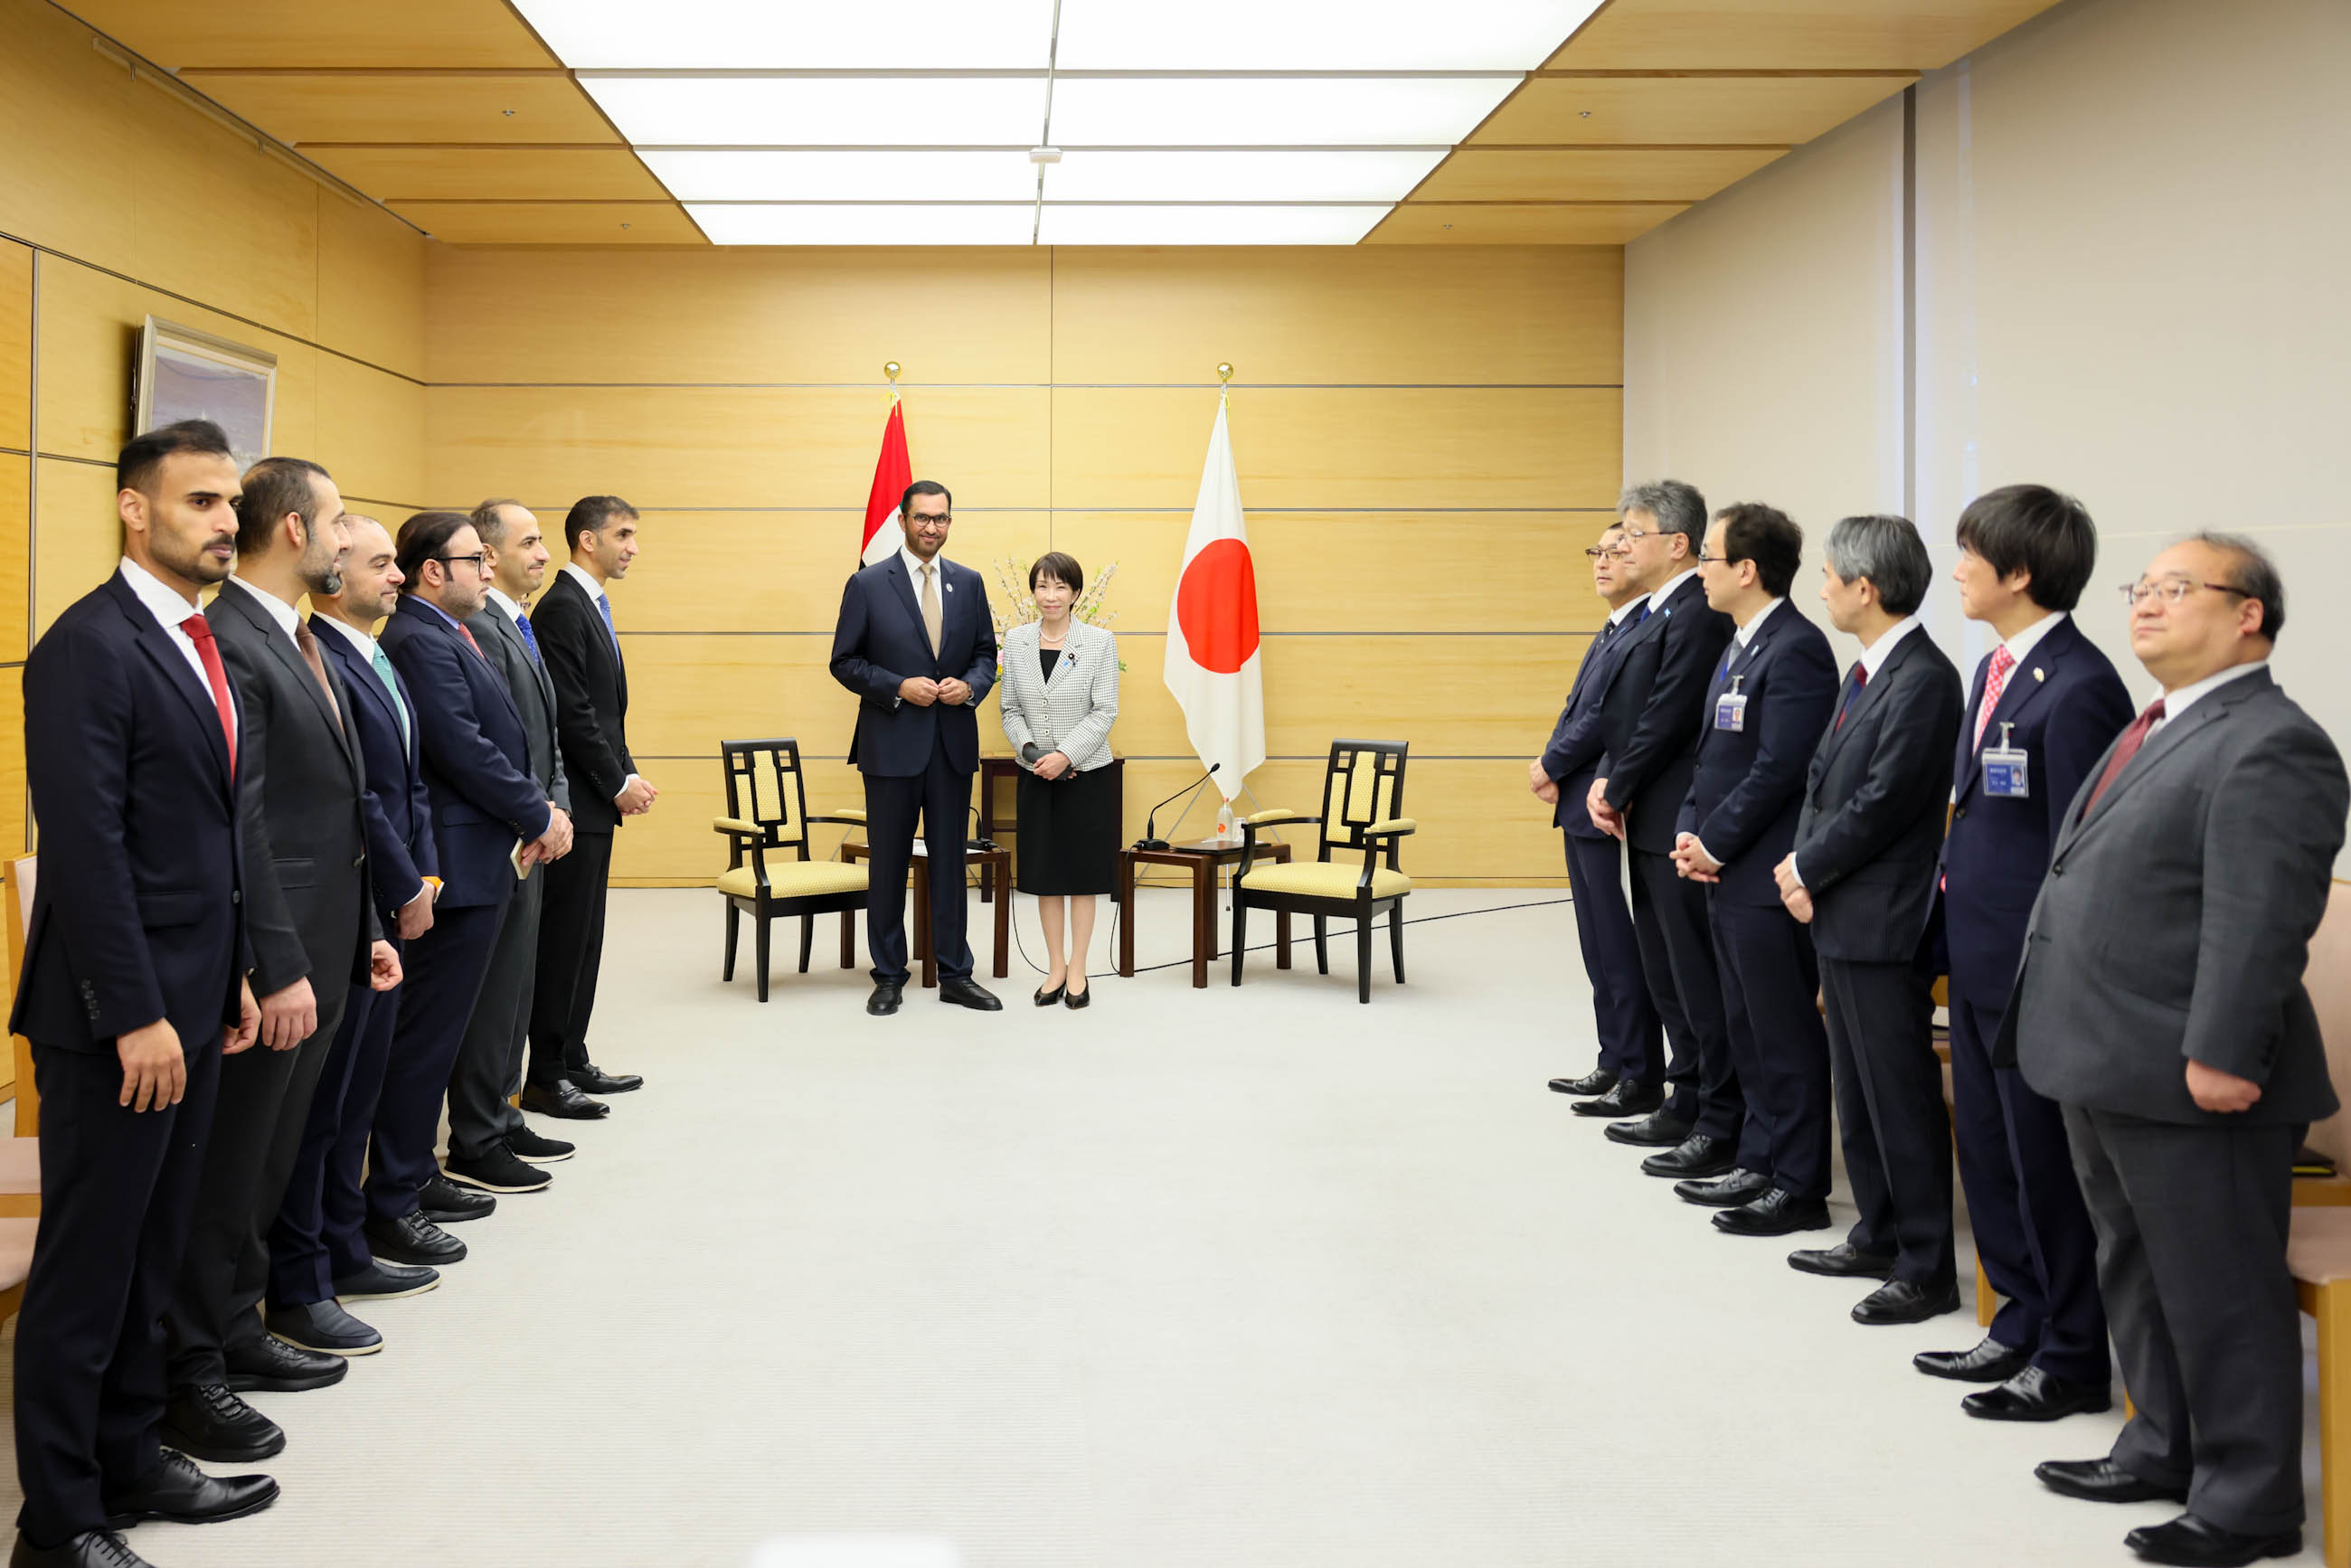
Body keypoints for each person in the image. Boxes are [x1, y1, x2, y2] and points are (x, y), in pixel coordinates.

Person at [2017, 534, 2344, 1568]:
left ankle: (2248, 1501)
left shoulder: (2271, 742)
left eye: (2174, 588)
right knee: (2138, 1270)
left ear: (2246, 614)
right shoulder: (2154, 725)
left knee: (2219, 1287)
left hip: (2189, 1069)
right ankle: (2160, 1443)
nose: (2146, 604)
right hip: (2102, 1053)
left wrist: (2222, 1051)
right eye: (2140, 588)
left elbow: (2258, 919)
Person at [10, 420, 270, 1568]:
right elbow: (84, 849)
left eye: (231, 505)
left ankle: (129, 1453)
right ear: (133, 507)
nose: (224, 522)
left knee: (154, 1249)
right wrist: (136, 1013)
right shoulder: (90, 643)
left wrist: (239, 972)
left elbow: (213, 829)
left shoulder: (198, 640)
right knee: (89, 1266)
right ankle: (58, 1520)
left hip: (195, 998)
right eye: (201, 501)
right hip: (119, 1020)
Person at [161, 457, 395, 1467]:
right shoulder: (234, 641)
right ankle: (192, 1366)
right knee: (232, 1166)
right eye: (340, 521)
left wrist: (368, 924)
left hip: (328, 936)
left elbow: (332, 805)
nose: (347, 539)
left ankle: (241, 1321)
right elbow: (241, 816)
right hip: (275, 956)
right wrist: (271, 960)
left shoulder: (296, 636)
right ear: (296, 531)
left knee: (275, 1154)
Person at [1914, 486, 2131, 1422]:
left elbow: (2075, 854)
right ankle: (2015, 1322)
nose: (1953, 568)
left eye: (1968, 553)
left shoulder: (2080, 687)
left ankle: (2073, 1355)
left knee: (2043, 1165)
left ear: (2019, 572)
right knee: (1991, 1153)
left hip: (2032, 972)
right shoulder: (1993, 670)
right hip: (1972, 956)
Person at [268, 515, 454, 1360]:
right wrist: (402, 885)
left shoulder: (362, 654)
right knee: (327, 1107)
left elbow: (407, 779)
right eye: (382, 565)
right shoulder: (319, 653)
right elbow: (359, 796)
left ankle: (344, 1244)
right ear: (332, 569)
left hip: (382, 899)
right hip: (351, 902)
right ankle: (315, 1265)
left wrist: (420, 878)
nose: (395, 578)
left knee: (353, 1098)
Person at [1774, 514, 1964, 1325]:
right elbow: (1821, 786)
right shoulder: (1867, 672)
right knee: (1857, 1088)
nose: (1819, 589)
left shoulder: (1924, 678)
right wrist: (1799, 867)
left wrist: (1806, 867)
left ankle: (1927, 1264)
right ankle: (1878, 1234)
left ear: (1866, 588)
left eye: (1828, 576)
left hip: (1884, 917)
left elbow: (1884, 802)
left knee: (1899, 1094)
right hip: (1839, 908)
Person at [372, 513, 569, 1266]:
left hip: (483, 851)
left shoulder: (450, 630)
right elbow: (461, 747)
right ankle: (399, 1185)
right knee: (425, 1039)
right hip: (454, 862)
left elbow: (503, 734)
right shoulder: (420, 638)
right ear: (434, 571)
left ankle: (415, 1171)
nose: (487, 572)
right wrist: (535, 810)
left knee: (441, 1032)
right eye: (472, 561)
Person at [1668, 503, 1840, 1235]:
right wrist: (1687, 828)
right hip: (1724, 868)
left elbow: (1780, 768)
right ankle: (1761, 1157)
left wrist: (1716, 843)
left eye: (1708, 557)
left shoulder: (1796, 649)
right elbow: (1710, 758)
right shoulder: (1740, 644)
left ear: (1746, 569)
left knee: (1782, 1031)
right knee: (1744, 1022)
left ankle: (1798, 1184)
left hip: (1763, 875)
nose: (1699, 570)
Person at [1582, 480, 1743, 1179]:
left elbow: (1668, 714)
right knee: (1667, 972)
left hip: (1674, 812)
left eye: (1633, 533)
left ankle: (1711, 1110)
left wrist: (1616, 784)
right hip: (1648, 814)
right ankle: (1686, 1098)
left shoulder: (1696, 614)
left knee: (1691, 975)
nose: (1620, 544)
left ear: (1676, 544)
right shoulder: (1653, 613)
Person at [441, 499, 578, 1193]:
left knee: (517, 989)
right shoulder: (478, 627)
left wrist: (554, 804)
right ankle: (479, 1131)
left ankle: (505, 1108)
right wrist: (536, 814)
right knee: (493, 997)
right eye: (530, 542)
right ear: (488, 557)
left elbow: (543, 735)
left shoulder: (515, 622)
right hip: (507, 835)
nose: (544, 554)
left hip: (532, 827)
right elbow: (490, 744)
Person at [827, 480, 1002, 1016]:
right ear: (903, 520)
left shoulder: (968, 584)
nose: (932, 527)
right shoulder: (867, 583)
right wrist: (897, 687)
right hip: (890, 746)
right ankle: (888, 975)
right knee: (889, 865)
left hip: (950, 746)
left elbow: (984, 656)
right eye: (922, 518)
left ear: (950, 522)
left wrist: (970, 686)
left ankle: (954, 972)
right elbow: (845, 662)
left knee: (951, 862)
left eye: (941, 518)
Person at [1532, 524, 1664, 1113]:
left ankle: (1637, 1070)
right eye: (1598, 552)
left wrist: (1549, 763)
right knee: (1597, 947)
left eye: (1617, 552)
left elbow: (1607, 721)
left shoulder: (1643, 629)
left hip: (1606, 806)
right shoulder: (1614, 628)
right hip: (1580, 806)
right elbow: (1576, 710)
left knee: (1618, 945)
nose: (1604, 562)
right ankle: (1613, 1059)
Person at [530, 495, 654, 1112]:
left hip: (594, 802)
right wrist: (615, 781)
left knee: (586, 940)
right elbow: (573, 715)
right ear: (587, 539)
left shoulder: (589, 605)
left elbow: (606, 711)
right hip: (574, 804)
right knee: (563, 941)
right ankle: (548, 1073)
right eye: (623, 534)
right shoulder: (561, 608)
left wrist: (627, 771)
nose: (632, 546)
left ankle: (572, 1056)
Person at [996, 552, 1121, 1006]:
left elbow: (1105, 709)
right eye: (1042, 587)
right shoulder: (1017, 640)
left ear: (1075, 593)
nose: (1051, 596)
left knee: (1082, 875)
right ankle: (1055, 967)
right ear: (1033, 592)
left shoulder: (1099, 642)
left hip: (1085, 775)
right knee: (1047, 876)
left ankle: (1080, 971)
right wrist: (1032, 753)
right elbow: (1009, 709)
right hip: (1035, 774)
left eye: (1060, 587)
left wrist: (1066, 753)